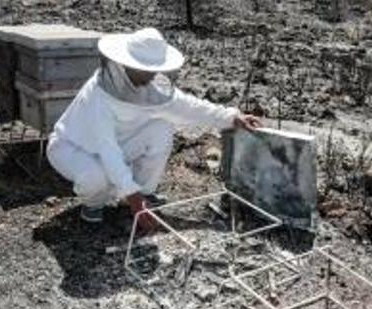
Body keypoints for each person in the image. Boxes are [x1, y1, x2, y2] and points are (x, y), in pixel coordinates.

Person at [46, 27, 261, 228]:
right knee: (96, 178)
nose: (151, 75)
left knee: (161, 128)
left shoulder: (152, 87)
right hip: (73, 147)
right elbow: (107, 148)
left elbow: (189, 107)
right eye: (146, 70)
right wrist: (131, 196)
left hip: (118, 142)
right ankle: (93, 205)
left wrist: (233, 117)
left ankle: (144, 193)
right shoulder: (99, 94)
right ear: (128, 64)